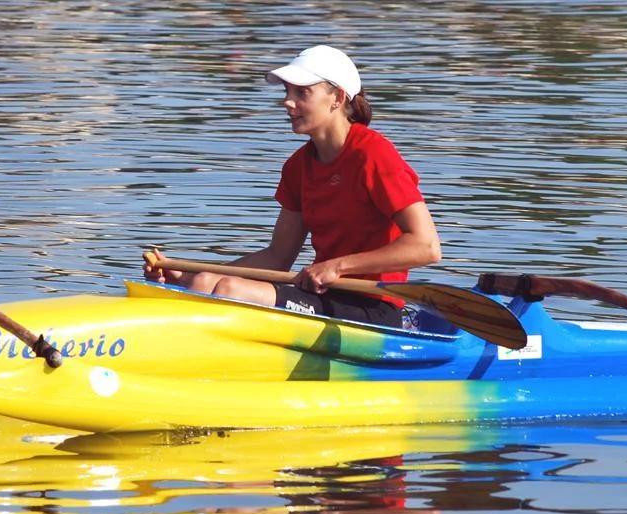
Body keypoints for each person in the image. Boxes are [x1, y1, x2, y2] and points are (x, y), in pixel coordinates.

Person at [144, 45, 441, 327]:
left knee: (230, 290)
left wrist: (337, 267)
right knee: (204, 283)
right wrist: (187, 276)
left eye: (302, 92)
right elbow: (278, 257)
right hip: (323, 295)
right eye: (287, 91)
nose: (287, 101)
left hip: (373, 307)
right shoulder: (298, 166)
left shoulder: (374, 154)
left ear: (337, 97)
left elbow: (427, 246)